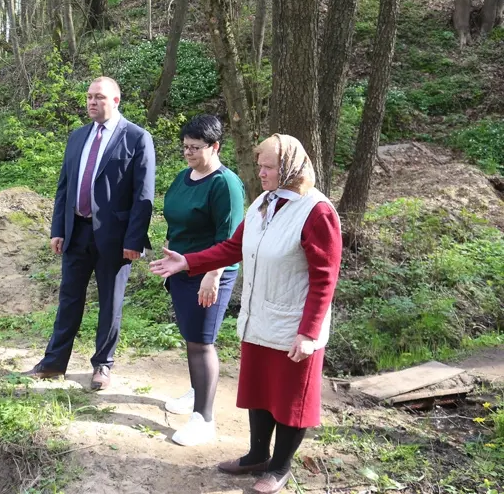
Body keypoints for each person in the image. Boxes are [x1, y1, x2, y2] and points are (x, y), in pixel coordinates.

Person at [149, 134, 342, 494]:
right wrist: (188, 261)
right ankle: (256, 455)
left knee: (288, 399)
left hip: (294, 324)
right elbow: (233, 247)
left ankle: (280, 467)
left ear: (289, 168)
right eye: (260, 165)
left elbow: (324, 279)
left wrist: (309, 331)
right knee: (260, 391)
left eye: (268, 167)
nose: (261, 173)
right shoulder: (263, 205)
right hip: (259, 317)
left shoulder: (316, 211)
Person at [26, 76, 155, 391]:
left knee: (110, 303)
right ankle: (54, 362)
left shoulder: (137, 138)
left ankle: (103, 366)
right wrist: (59, 228)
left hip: (115, 238)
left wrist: (134, 240)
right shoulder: (77, 137)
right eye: (88, 97)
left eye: (98, 97)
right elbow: (64, 188)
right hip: (77, 232)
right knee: (69, 299)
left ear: (116, 100)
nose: (92, 102)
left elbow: (144, 195)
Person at [161, 115, 245, 447]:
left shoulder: (225, 184)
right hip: (182, 271)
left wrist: (212, 276)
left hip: (211, 275)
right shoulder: (184, 177)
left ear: (215, 146)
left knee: (202, 342)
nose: (188, 153)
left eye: (196, 148)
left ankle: (204, 417)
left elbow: (229, 239)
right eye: (185, 147)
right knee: (190, 336)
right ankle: (197, 392)